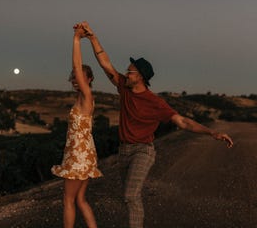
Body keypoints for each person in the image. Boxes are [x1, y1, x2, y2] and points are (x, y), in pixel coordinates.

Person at [74, 21, 234, 228]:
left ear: (140, 77)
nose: (126, 73)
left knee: (131, 195)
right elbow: (105, 63)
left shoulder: (155, 103)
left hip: (144, 151)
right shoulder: (124, 87)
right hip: (124, 151)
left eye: (130, 71)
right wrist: (92, 38)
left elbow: (183, 121)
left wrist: (212, 132)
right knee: (129, 198)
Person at [51, 24, 103, 228]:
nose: (75, 79)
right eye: (73, 77)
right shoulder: (83, 98)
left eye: (79, 77)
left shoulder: (87, 96)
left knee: (68, 200)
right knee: (80, 200)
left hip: (78, 155)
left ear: (88, 80)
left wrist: (76, 39)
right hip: (84, 153)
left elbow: (76, 64)